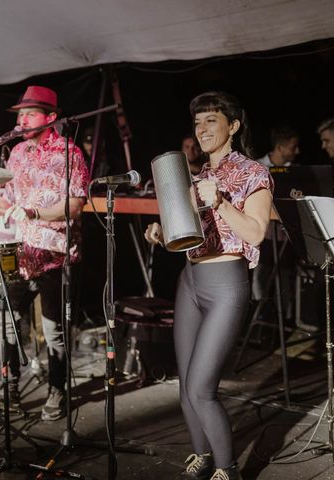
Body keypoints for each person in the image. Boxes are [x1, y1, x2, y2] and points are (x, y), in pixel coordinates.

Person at [145, 91, 273, 480]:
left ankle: (227, 469)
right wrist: (161, 231)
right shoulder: (196, 175)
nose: (201, 130)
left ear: (233, 126)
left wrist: (220, 203)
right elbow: (186, 234)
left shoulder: (254, 173)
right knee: (185, 386)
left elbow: (255, 234)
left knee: (202, 389)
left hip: (226, 285)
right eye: (197, 123)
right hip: (191, 279)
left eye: (211, 121)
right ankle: (201, 455)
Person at [0, 85, 89, 421]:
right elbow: (9, 198)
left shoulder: (69, 152)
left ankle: (57, 391)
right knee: (6, 322)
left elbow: (75, 205)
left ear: (50, 118)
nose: (21, 119)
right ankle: (11, 385)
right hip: (22, 253)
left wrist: (33, 213)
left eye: (29, 113)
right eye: (20, 114)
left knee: (54, 332)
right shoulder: (16, 153)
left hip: (56, 254)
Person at [252, 126, 300, 328]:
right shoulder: (258, 166)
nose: (297, 151)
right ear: (280, 147)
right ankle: (260, 315)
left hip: (284, 235)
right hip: (263, 233)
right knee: (261, 274)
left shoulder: (295, 171)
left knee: (285, 276)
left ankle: (286, 321)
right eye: (293, 147)